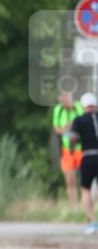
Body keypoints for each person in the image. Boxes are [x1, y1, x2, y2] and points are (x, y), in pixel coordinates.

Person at [69, 92, 98, 235]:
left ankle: (92, 223)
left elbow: (72, 138)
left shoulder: (79, 120)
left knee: (86, 190)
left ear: (83, 105)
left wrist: (73, 146)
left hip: (88, 156)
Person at [53, 91, 84, 211]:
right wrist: (66, 128)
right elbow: (57, 129)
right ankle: (74, 207)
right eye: (62, 100)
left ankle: (85, 204)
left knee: (85, 179)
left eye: (66, 100)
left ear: (70, 99)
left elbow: (84, 125)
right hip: (67, 150)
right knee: (70, 180)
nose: (64, 103)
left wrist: (73, 126)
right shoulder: (58, 110)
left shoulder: (79, 107)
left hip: (80, 148)